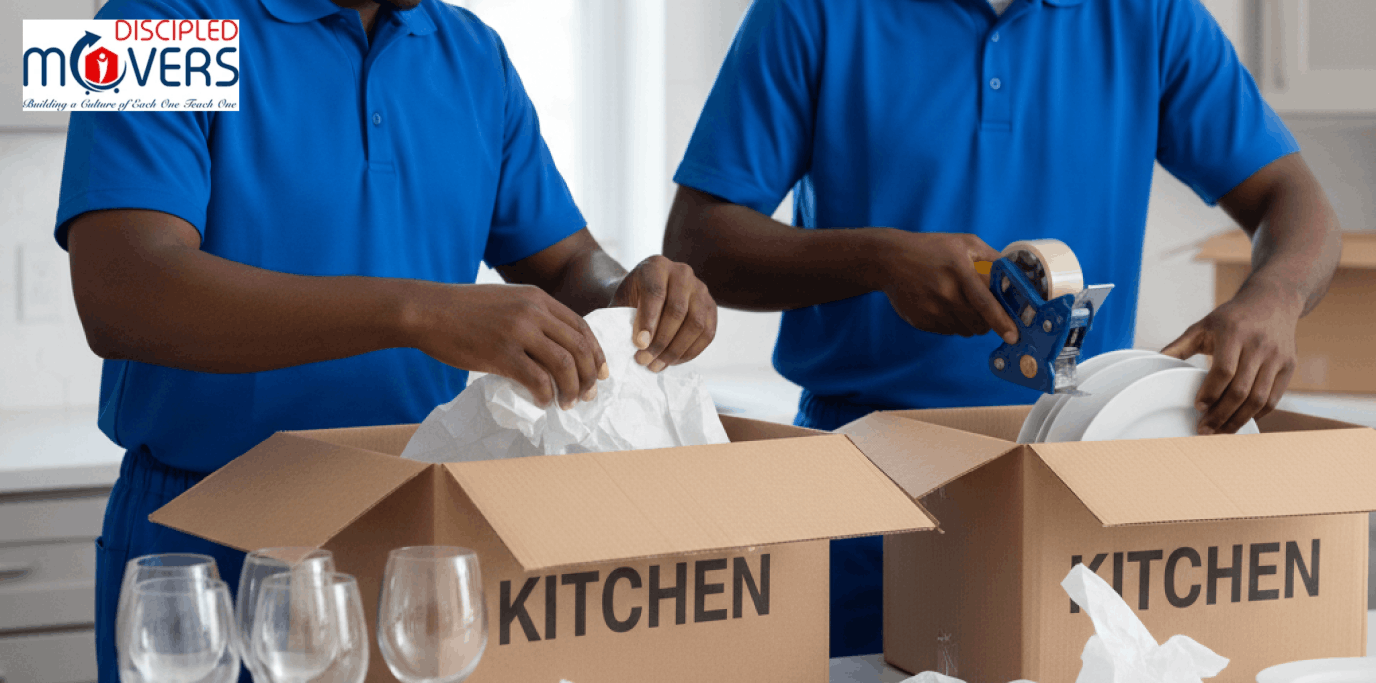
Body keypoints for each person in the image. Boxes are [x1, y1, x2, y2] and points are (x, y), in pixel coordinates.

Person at [58, 1, 717, 681]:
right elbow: (119, 291)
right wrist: (418, 312)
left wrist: (627, 291)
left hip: (418, 540)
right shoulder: (146, 23)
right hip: (206, 533)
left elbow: (568, 263)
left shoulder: (474, 54)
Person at [663, 0, 1342, 657]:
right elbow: (698, 242)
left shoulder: (1153, 14)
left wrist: (1275, 295)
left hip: (1081, 479)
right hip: (862, 488)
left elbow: (1293, 198)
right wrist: (875, 260)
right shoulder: (810, 10)